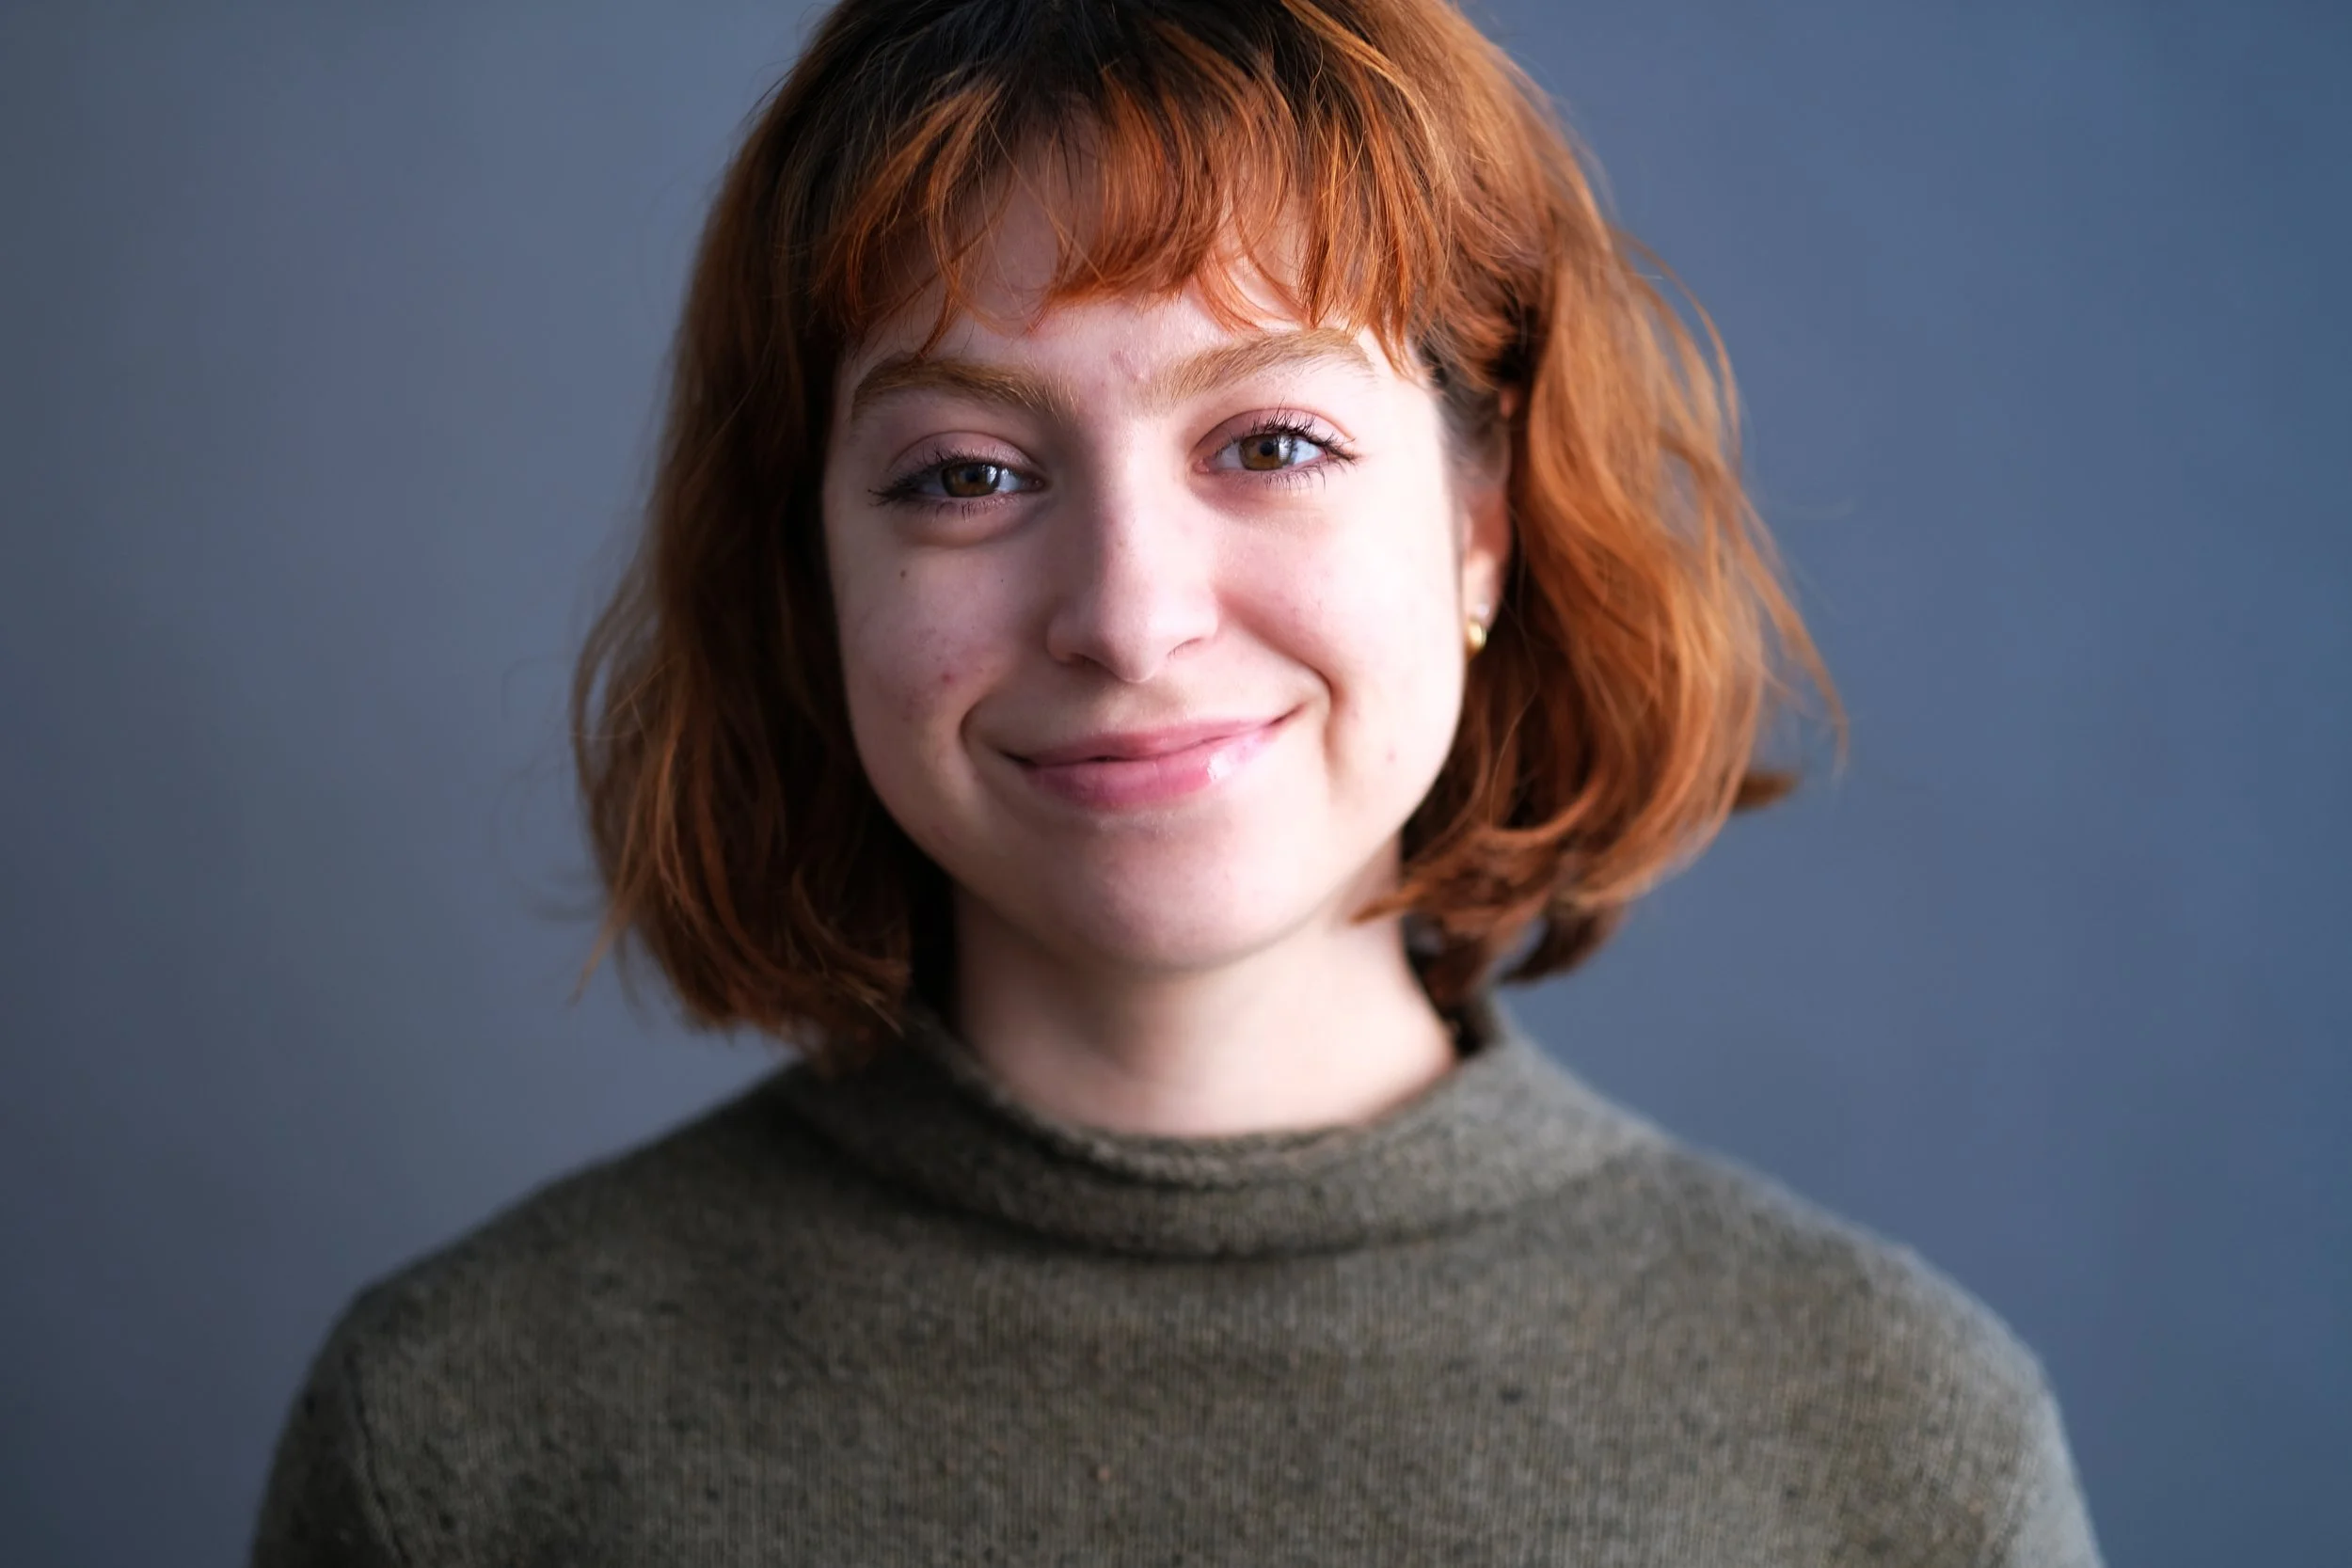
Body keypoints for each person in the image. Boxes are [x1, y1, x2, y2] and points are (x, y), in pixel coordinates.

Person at [251, 0, 2104, 1561]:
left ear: (1479, 520)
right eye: (966, 473)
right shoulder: (464, 1438)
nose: (1129, 617)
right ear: (813, 569)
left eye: (1271, 440)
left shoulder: (1893, 1448)